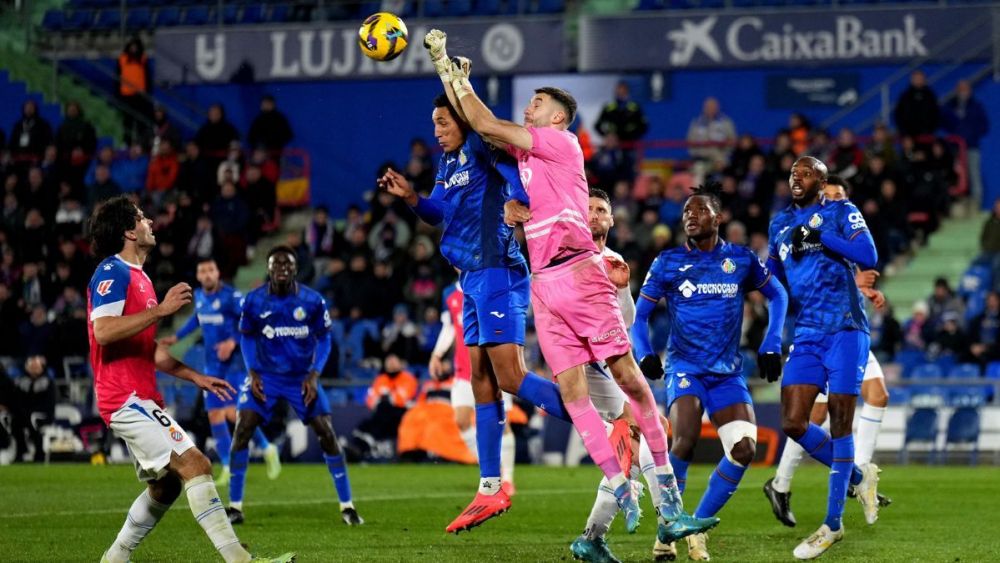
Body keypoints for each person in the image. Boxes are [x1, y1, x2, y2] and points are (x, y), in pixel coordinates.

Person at [437, 31, 705, 539]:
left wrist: (450, 71)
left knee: (629, 379)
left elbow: (485, 123)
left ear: (558, 117)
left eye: (536, 104)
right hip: (544, 285)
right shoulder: (526, 162)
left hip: (580, 271)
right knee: (574, 394)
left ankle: (670, 503)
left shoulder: (560, 143)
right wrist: (454, 83)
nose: (529, 109)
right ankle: (619, 496)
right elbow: (478, 133)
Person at [379, 88, 572, 533]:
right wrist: (411, 197)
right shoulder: (448, 164)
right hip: (471, 278)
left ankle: (605, 417)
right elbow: (438, 213)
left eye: (443, 122)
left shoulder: (483, 147)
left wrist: (518, 201)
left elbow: (520, 178)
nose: (436, 131)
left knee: (510, 377)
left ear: (463, 120)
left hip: (497, 270)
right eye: (434, 124)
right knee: (481, 380)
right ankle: (490, 487)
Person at [86, 195, 292, 563]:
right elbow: (103, 331)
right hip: (124, 396)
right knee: (197, 464)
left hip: (140, 395)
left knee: (165, 487)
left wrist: (196, 376)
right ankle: (240, 560)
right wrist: (162, 311)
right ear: (129, 231)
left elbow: (147, 349)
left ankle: (115, 558)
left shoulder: (141, 277)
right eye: (141, 218)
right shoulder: (112, 271)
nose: (150, 222)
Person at [630, 183, 788, 561]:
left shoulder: (741, 259)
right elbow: (640, 316)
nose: (690, 216)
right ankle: (667, 531)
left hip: (727, 375)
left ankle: (695, 527)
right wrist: (645, 352)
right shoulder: (668, 262)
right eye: (687, 211)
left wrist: (772, 341)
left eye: (700, 210)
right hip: (685, 369)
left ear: (718, 218)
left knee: (745, 449)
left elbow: (778, 295)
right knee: (684, 441)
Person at [571, 188, 720, 563]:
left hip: (605, 363)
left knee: (638, 444)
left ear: (611, 219)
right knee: (644, 428)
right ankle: (668, 518)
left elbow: (626, 320)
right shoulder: (567, 255)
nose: (593, 214)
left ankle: (593, 537)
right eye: (587, 208)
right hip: (577, 364)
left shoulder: (613, 259)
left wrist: (622, 289)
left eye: (601, 209)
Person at [765, 156, 881, 559]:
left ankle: (833, 524)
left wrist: (821, 237)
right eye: (793, 173)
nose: (797, 178)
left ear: (822, 180)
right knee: (793, 422)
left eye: (806, 173)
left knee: (840, 420)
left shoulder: (841, 212)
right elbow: (773, 281)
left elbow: (868, 255)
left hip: (845, 328)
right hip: (807, 333)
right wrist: (769, 334)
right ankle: (858, 476)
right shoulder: (779, 224)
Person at [226, 246, 361, 527]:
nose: (282, 269)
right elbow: (247, 336)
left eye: (287, 265)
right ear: (268, 268)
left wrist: (314, 374)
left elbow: (324, 339)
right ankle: (234, 507)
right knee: (243, 428)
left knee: (326, 433)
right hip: (266, 376)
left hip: (301, 378)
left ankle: (347, 506)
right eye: (276, 265)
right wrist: (252, 371)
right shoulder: (254, 300)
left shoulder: (312, 301)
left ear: (295, 269)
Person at [161, 258, 281, 487]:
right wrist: (176, 337)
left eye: (211, 270)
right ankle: (228, 467)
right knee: (215, 416)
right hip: (211, 367)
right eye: (203, 271)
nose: (207, 274)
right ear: (198, 276)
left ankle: (267, 448)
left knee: (232, 414)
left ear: (217, 273)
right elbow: (197, 319)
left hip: (233, 365)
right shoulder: (200, 296)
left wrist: (232, 341)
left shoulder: (231, 297)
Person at [429, 281, 516, 492]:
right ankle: (491, 470)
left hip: (492, 369)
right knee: (461, 420)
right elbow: (449, 327)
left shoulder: (488, 282)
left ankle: (507, 478)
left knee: (501, 423)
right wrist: (437, 354)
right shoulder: (449, 294)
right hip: (463, 371)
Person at [941, 80, 989, 209]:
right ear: (956, 90)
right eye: (960, 89)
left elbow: (984, 125)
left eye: (965, 89)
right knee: (957, 176)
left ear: (970, 90)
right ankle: (957, 204)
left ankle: (976, 205)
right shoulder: (950, 106)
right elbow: (943, 123)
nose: (962, 91)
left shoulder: (976, 106)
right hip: (954, 149)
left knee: (974, 175)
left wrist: (971, 135)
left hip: (972, 147)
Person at [117, 36, 152, 146]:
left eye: (135, 46)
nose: (133, 48)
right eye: (132, 46)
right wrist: (118, 92)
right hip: (126, 94)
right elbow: (117, 76)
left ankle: (140, 143)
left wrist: (146, 91)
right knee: (127, 120)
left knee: (140, 120)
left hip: (139, 94)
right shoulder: (122, 59)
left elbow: (147, 76)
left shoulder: (143, 59)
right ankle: (127, 142)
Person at [593, 81, 649, 148]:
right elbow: (597, 125)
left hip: (630, 144)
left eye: (623, 93)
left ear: (627, 92)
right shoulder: (608, 108)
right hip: (613, 145)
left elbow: (644, 127)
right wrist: (607, 135)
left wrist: (632, 136)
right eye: (618, 93)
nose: (620, 95)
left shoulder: (635, 108)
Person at [893, 69, 939, 142]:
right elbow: (898, 114)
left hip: (927, 135)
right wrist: (904, 132)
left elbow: (936, 114)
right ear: (912, 80)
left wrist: (930, 130)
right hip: (909, 136)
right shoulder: (905, 96)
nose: (918, 81)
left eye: (920, 78)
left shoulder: (930, 96)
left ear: (924, 80)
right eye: (916, 78)